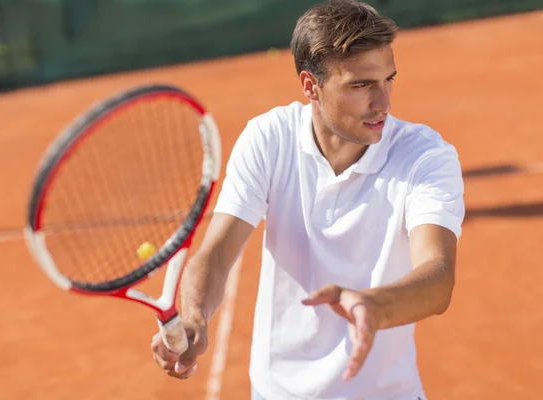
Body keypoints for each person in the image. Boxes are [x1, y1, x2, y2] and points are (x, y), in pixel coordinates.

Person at [151, 0, 465, 398]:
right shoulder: (269, 138)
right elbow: (216, 252)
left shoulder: (425, 156)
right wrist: (194, 317)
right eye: (361, 85)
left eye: (388, 79)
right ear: (310, 86)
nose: (382, 103)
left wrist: (374, 305)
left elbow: (437, 276)